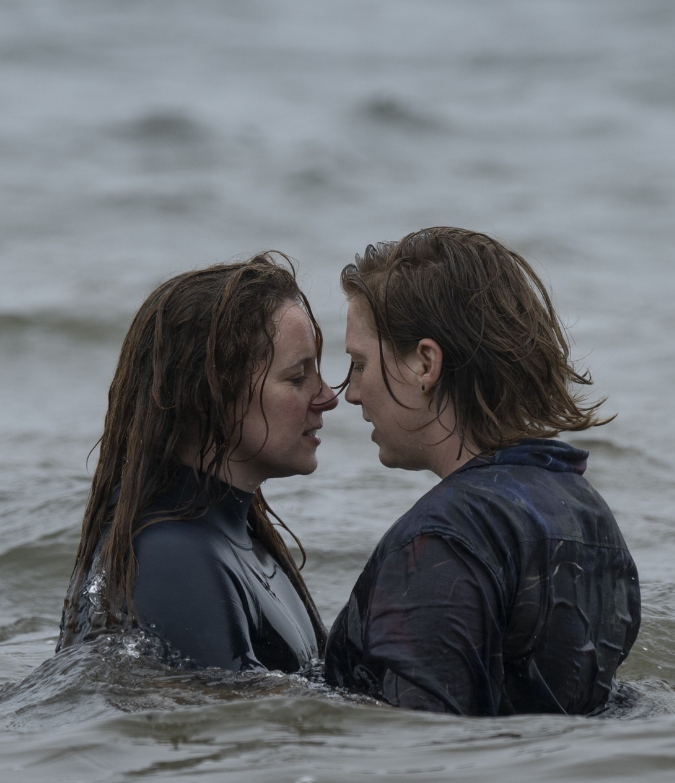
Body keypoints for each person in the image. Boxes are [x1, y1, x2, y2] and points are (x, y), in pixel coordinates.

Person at [325, 227, 640, 716]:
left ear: (425, 363)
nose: (352, 393)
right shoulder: (586, 511)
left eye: (359, 363)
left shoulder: (444, 536)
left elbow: (421, 745)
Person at [58, 254, 337, 672]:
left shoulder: (235, 543)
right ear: (212, 395)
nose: (327, 397)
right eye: (298, 378)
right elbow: (225, 724)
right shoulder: (172, 558)